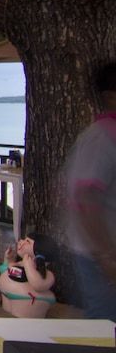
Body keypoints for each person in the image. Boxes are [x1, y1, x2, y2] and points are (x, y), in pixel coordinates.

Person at [63, 61, 116, 319]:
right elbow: (85, 198)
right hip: (99, 254)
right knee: (105, 323)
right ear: (110, 97)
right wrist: (106, 256)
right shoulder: (102, 138)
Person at [0, 235, 56, 318]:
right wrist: (8, 260)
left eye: (27, 241)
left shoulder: (48, 274)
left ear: (39, 250)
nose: (20, 241)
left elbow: (38, 285)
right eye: (23, 239)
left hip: (28, 301)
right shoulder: (19, 263)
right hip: (9, 299)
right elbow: (7, 272)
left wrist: (28, 266)